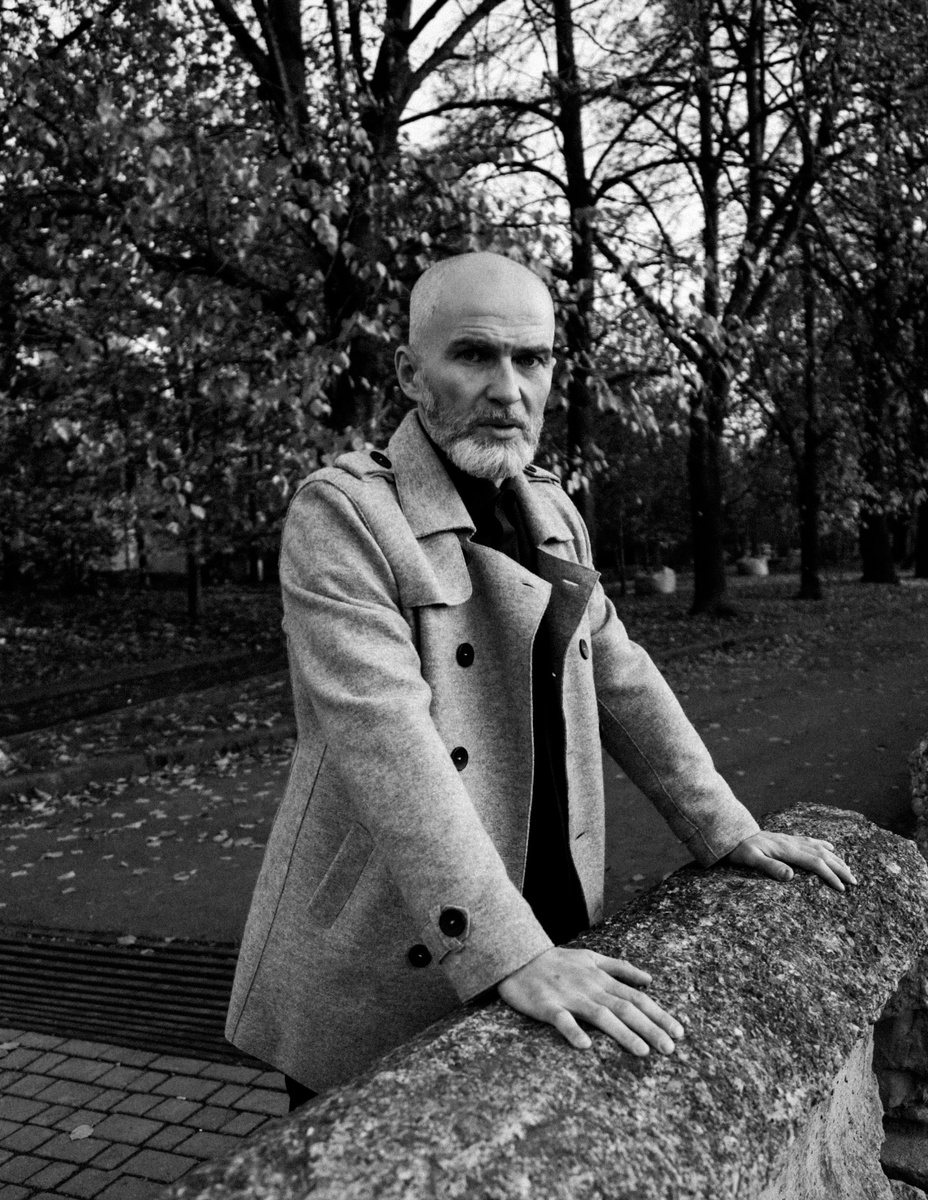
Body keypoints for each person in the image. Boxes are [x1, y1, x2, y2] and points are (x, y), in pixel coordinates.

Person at [226, 252, 855, 1108]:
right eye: (474, 355)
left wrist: (724, 826)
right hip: (398, 938)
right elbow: (387, 739)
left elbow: (622, 676)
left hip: (549, 912)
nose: (508, 389)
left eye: (532, 359)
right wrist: (507, 951)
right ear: (411, 373)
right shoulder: (344, 514)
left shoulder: (552, 508)